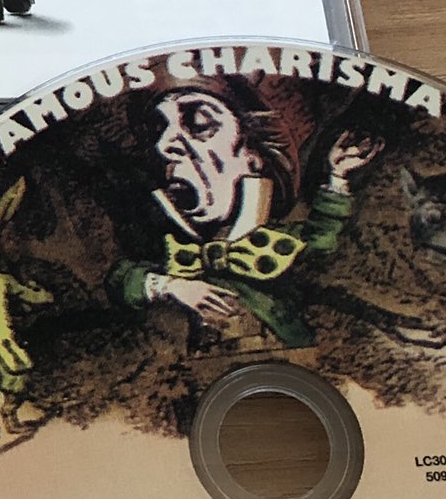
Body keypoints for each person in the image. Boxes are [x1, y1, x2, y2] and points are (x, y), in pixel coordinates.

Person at [109, 76, 380, 347]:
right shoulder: (170, 249)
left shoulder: (276, 244)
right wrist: (172, 286)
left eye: (200, 124)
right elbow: (122, 278)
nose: (163, 145)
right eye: (158, 130)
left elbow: (321, 238)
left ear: (254, 157)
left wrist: (337, 177)